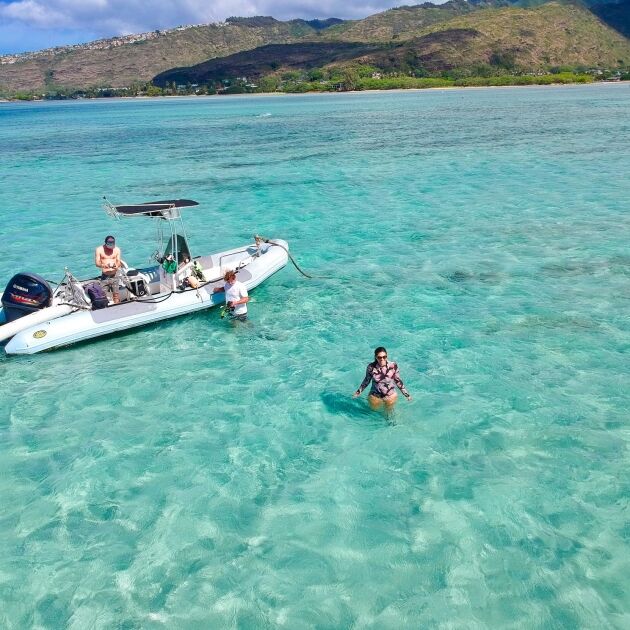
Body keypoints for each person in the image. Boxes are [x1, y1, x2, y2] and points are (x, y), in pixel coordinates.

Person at [94, 235, 121, 304]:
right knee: (103, 296)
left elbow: (118, 262)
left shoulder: (117, 249)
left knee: (116, 295)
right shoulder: (99, 250)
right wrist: (103, 265)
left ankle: (117, 308)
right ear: (105, 243)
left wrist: (116, 266)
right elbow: (97, 263)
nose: (110, 248)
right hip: (105, 276)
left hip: (115, 275)